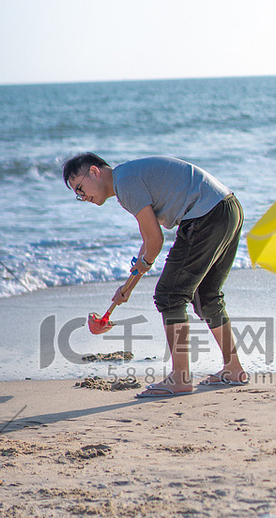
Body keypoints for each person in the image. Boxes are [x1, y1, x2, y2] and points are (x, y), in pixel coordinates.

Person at [63, 153, 247, 397]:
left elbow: (155, 242)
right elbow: (148, 241)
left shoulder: (125, 183)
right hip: (227, 207)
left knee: (170, 296)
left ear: (94, 172)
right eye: (78, 194)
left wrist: (143, 266)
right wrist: (128, 287)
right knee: (207, 294)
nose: (82, 197)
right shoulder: (128, 178)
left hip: (206, 215)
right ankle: (233, 369)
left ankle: (180, 377)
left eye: (80, 188)